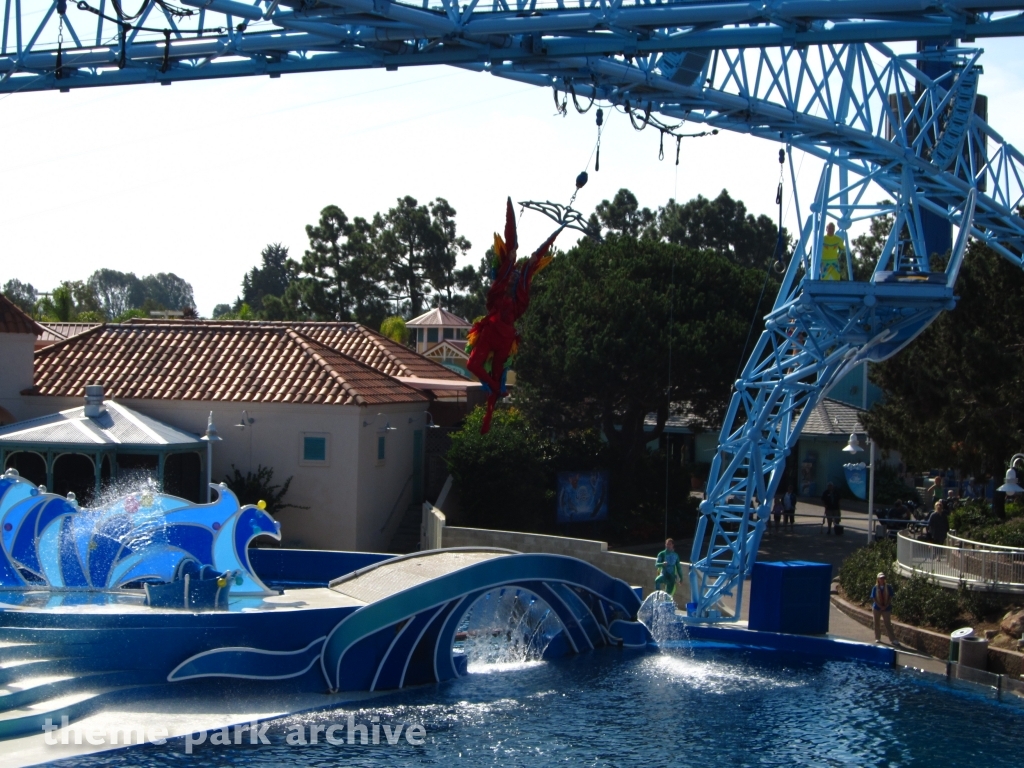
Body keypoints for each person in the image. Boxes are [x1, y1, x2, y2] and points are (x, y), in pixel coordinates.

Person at [870, 572, 898, 645]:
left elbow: (890, 596)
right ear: (878, 579)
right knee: (876, 623)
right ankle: (877, 638)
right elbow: (874, 597)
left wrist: (886, 605)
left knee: (888, 623)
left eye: (883, 578)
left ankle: (893, 639)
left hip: (886, 607)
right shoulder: (875, 587)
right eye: (881, 578)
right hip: (877, 607)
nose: (882, 579)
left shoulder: (888, 587)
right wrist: (879, 605)